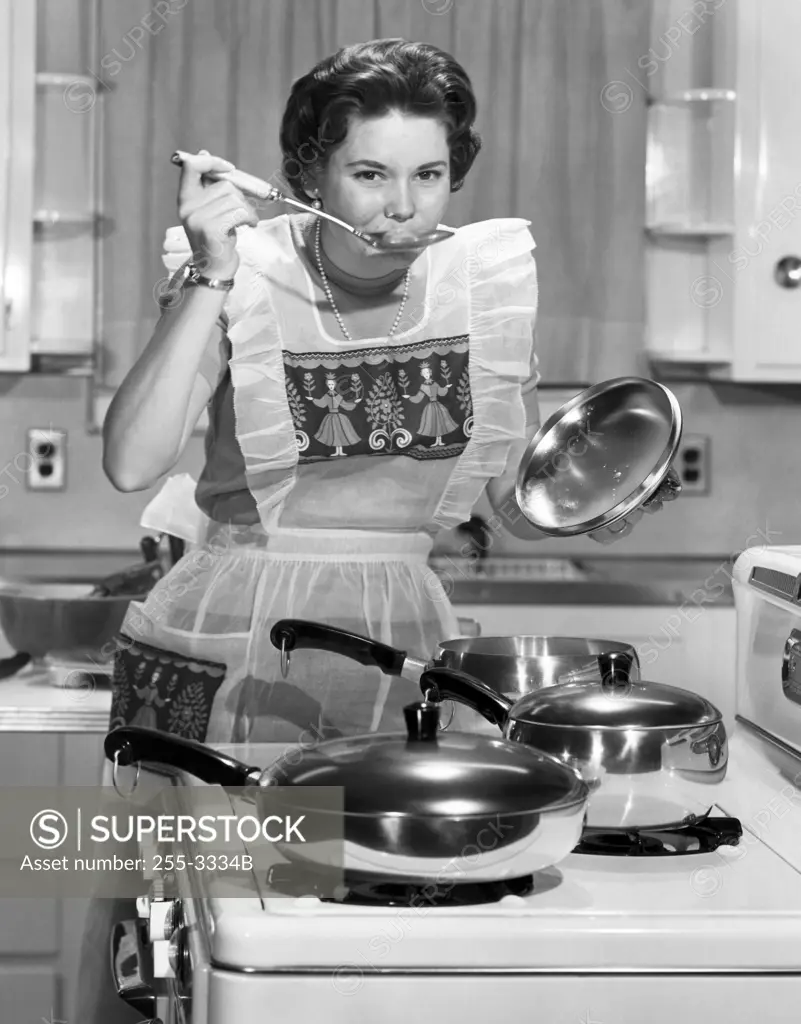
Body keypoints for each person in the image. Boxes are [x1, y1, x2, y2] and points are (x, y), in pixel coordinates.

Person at [76, 38, 677, 1022]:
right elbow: (132, 462)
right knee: (194, 938)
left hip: (399, 651)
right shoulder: (239, 269)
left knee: (386, 952)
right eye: (369, 173)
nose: (403, 205)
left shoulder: (485, 284)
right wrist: (210, 279)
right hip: (230, 635)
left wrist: (602, 498)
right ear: (309, 174)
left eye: (429, 174)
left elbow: (506, 503)